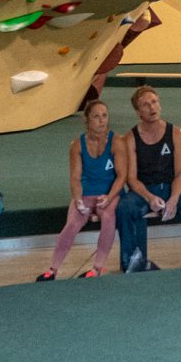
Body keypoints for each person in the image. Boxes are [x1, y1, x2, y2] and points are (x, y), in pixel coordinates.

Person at [114, 86, 181, 272]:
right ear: (138, 112)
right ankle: (132, 263)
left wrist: (174, 200)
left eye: (154, 102)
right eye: (145, 105)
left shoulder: (176, 133)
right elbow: (132, 179)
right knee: (124, 208)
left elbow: (180, 173)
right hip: (144, 191)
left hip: (170, 188)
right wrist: (149, 197)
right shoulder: (130, 138)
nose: (152, 107)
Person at [40, 97, 123, 280]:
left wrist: (109, 197)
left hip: (109, 192)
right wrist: (78, 199)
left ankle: (98, 267)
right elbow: (75, 178)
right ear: (87, 120)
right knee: (73, 223)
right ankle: (53, 269)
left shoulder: (116, 142)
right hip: (86, 192)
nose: (102, 120)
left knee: (108, 216)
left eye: (104, 116)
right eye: (96, 117)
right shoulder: (77, 145)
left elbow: (121, 176)